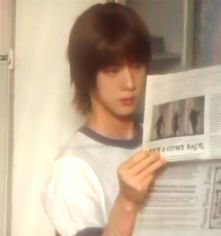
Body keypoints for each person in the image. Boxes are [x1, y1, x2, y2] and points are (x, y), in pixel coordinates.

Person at [42, 3, 166, 236]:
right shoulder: (73, 168)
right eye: (112, 70)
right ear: (87, 75)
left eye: (137, 66)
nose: (129, 83)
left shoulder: (156, 139)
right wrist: (127, 202)